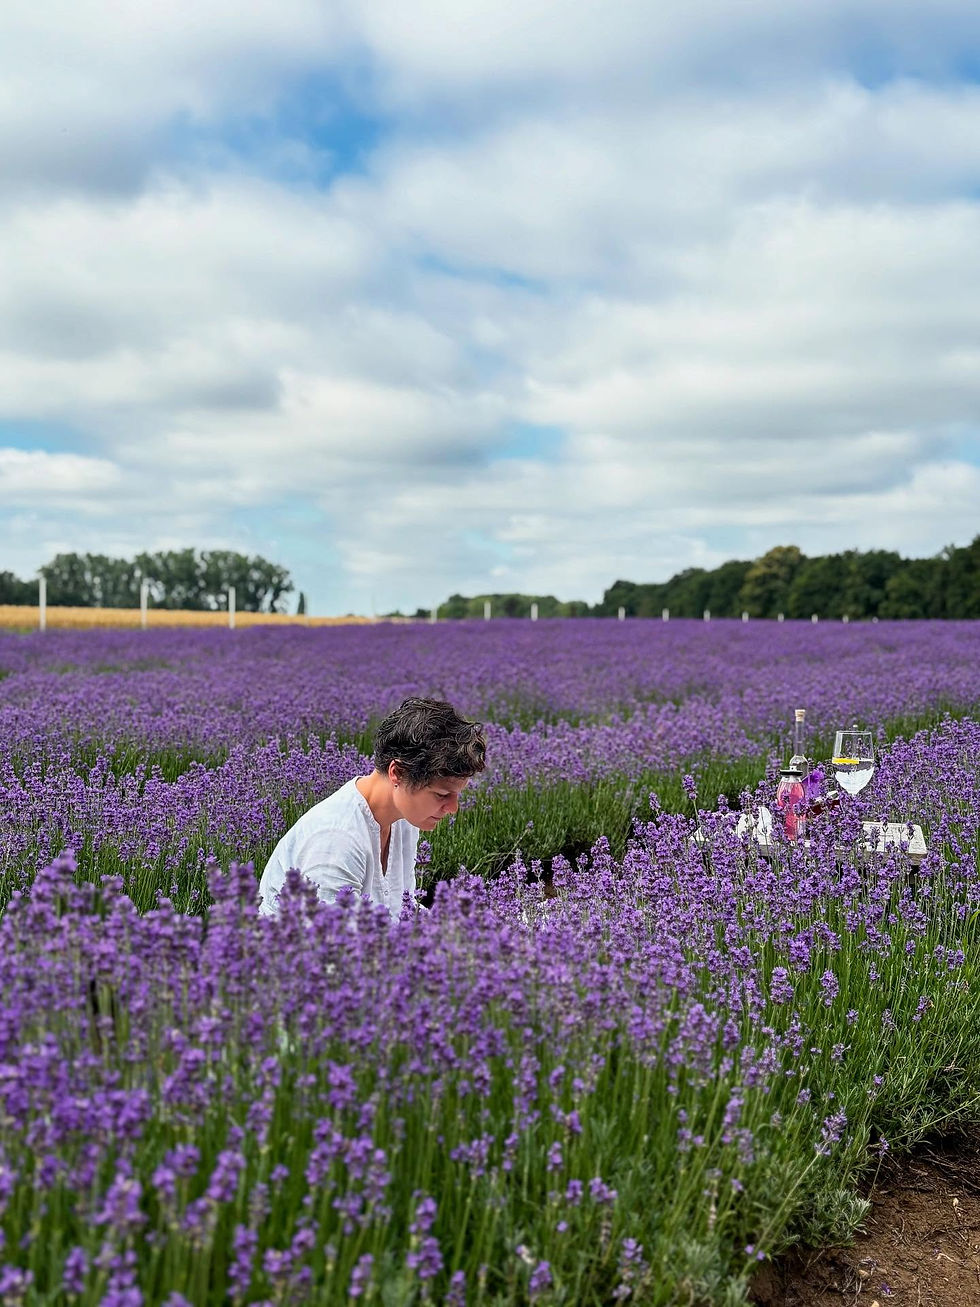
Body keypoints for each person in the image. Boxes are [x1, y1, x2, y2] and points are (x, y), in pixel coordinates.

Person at [258, 697, 486, 919]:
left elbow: (401, 909)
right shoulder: (337, 840)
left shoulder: (404, 819)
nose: (453, 808)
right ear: (397, 773)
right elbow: (331, 939)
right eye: (442, 795)